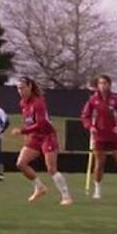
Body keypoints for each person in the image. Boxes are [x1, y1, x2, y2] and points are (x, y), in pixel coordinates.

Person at [11, 77, 73, 205]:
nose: (20, 91)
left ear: (30, 87)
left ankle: (66, 196)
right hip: (34, 137)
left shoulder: (38, 103)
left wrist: (23, 131)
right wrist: (27, 134)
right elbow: (28, 120)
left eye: (22, 88)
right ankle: (40, 187)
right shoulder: (23, 103)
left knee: (51, 169)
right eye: (18, 88)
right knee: (21, 163)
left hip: (47, 136)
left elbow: (41, 124)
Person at [80, 74, 117, 199]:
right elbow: (85, 116)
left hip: (114, 136)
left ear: (109, 85)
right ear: (97, 85)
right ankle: (97, 191)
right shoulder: (92, 100)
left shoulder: (116, 99)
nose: (102, 86)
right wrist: (90, 127)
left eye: (105, 83)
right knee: (100, 164)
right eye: (100, 83)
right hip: (99, 136)